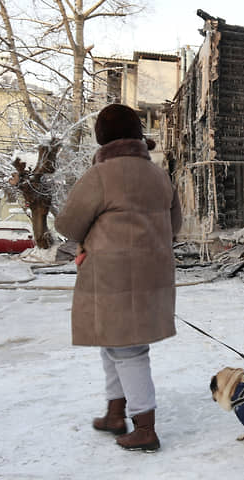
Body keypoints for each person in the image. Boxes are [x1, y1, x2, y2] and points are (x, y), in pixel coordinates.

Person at [55, 103, 181, 452]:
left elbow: (67, 223)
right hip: (153, 276)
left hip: (112, 278)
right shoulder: (160, 176)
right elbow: (176, 227)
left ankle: (145, 427)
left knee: (127, 350)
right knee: (115, 344)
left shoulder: (101, 176)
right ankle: (115, 413)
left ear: (102, 137)